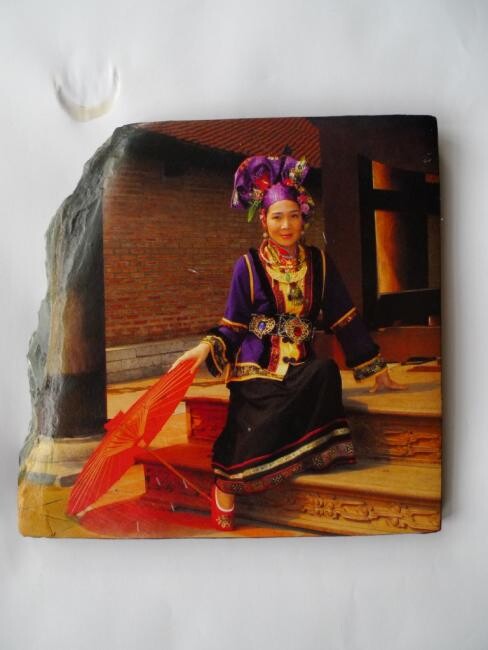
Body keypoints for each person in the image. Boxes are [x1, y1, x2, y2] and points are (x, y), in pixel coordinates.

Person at [172, 155, 403, 531]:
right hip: (256, 369)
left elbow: (344, 316)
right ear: (263, 221)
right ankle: (226, 485)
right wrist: (204, 348)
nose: (286, 225)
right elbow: (233, 325)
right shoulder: (247, 266)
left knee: (325, 373)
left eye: (293, 216)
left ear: (304, 218)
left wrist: (377, 369)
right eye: (277, 217)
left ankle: (305, 456)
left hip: (300, 366)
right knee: (258, 418)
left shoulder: (319, 263)